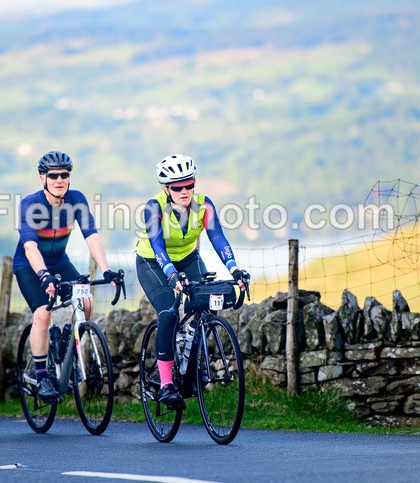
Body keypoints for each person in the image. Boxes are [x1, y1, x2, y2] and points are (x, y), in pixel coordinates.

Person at [135, 154, 250, 408]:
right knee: (168, 312)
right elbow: (157, 245)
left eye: (189, 184)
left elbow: (217, 238)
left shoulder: (203, 205)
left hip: (188, 258)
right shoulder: (154, 208)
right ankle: (165, 383)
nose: (185, 190)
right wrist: (170, 273)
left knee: (208, 302)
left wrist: (235, 270)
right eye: (177, 187)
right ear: (167, 188)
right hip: (153, 263)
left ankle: (188, 353)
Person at [13, 150, 120, 402]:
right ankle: (42, 377)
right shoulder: (30, 204)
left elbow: (91, 235)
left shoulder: (76, 199)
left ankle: (67, 351)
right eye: (53, 176)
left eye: (64, 175)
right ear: (43, 178)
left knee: (87, 301)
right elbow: (30, 246)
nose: (59, 180)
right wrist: (43, 275)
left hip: (60, 262)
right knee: (42, 313)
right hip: (30, 265)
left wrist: (105, 270)